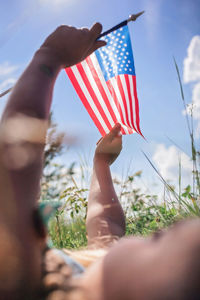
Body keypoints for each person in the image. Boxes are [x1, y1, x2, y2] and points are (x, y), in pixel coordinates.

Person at [0, 22, 200, 300]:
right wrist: (101, 164)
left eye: (159, 238)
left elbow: (17, 152)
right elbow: (107, 225)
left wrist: (49, 57)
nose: (151, 231)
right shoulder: (90, 279)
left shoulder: (17, 276)